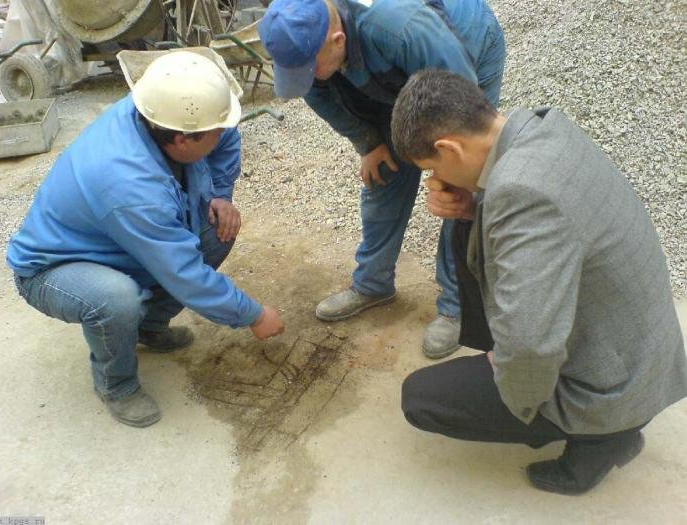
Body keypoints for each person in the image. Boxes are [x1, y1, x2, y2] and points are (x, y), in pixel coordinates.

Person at [392, 70, 687, 494]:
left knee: (420, 398)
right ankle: (599, 420)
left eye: (431, 168)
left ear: (448, 148)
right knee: (464, 232)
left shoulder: (522, 192)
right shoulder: (543, 129)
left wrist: (511, 372)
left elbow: (530, 346)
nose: (434, 179)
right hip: (636, 348)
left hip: (615, 386)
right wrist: (472, 207)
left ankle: (603, 439)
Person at [6, 51, 285, 428]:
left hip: (114, 240)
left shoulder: (162, 111)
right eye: (215, 133)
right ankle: (116, 384)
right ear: (183, 141)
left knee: (218, 232)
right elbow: (184, 274)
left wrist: (221, 194)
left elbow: (226, 135)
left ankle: (148, 328)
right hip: (52, 269)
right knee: (116, 298)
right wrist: (253, 315)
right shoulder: (130, 185)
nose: (223, 134)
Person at [258, 0, 505, 359]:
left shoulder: (400, 29)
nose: (307, 79)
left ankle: (457, 305)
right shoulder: (307, 41)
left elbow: (461, 105)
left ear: (338, 40)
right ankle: (373, 284)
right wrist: (368, 142)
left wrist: (450, 169)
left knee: (457, 193)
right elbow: (318, 95)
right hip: (391, 71)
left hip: (464, 55)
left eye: (311, 70)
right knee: (382, 174)